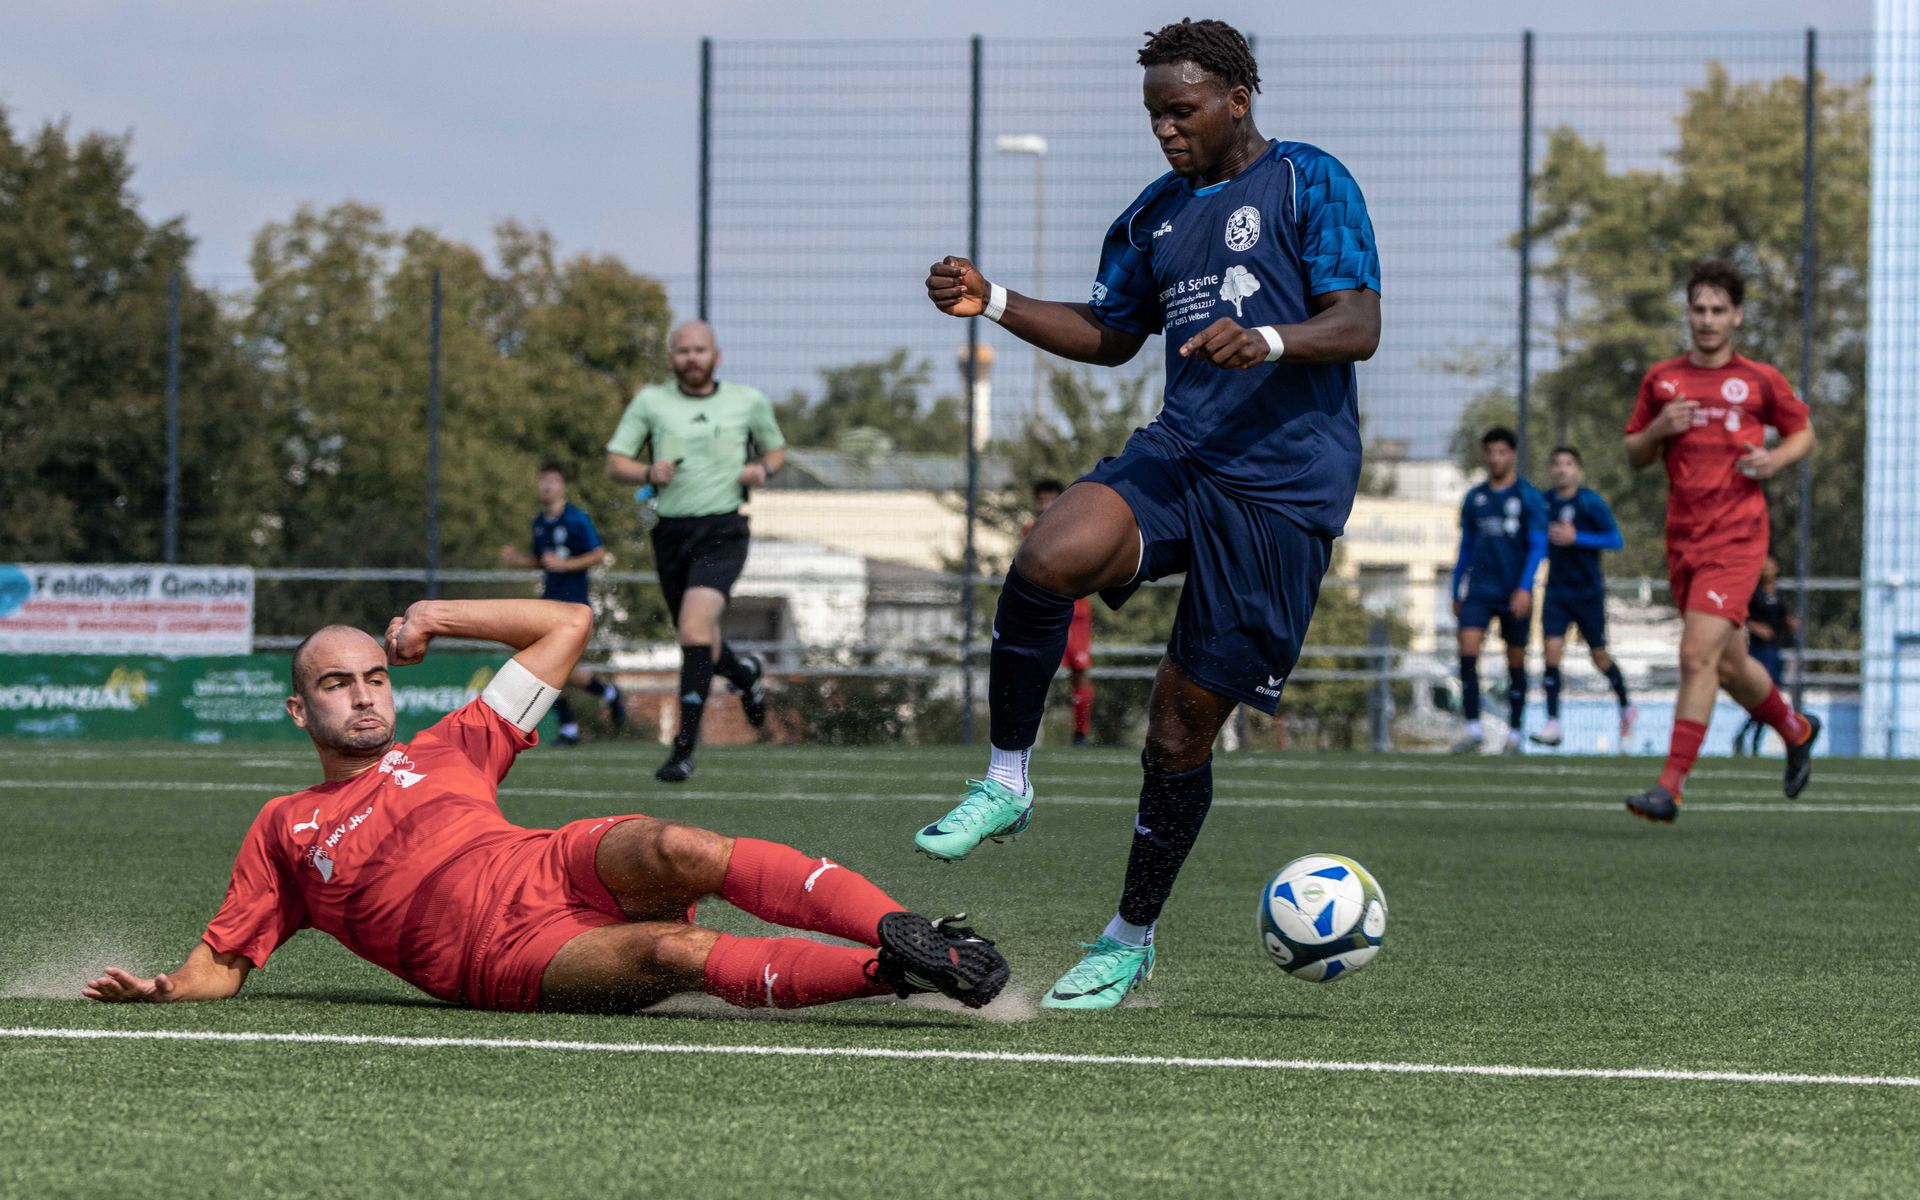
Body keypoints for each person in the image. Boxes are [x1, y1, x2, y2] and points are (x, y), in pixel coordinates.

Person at [916, 18, 1381, 1010]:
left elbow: (1359, 323)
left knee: (1176, 733)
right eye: (1154, 115)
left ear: (1236, 100)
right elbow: (1111, 333)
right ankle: (1007, 780)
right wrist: (993, 298)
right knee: (1049, 553)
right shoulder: (1153, 216)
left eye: (1182, 111)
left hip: (1280, 492)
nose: (1166, 130)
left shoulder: (1308, 181)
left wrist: (1266, 339)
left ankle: (1127, 938)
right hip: (1180, 451)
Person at [82, 598, 1008, 1014]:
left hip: (546, 862)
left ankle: (907, 929)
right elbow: (224, 961)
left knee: (681, 843)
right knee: (671, 951)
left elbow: (568, 625)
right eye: (336, 684)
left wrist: (437, 617)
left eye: (372, 677)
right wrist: (163, 988)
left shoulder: (454, 742)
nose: (363, 696)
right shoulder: (286, 827)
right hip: (505, 957)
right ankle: (890, 976)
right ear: (301, 709)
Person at [1623, 259, 1819, 822]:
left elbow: (1803, 432)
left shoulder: (1760, 379)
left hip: (1737, 539)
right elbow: (1635, 453)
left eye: (1718, 310)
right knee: (1728, 666)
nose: (1707, 320)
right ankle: (1795, 728)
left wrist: (1774, 457)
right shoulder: (1663, 380)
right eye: (1698, 309)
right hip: (1683, 541)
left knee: (1694, 656)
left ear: (1736, 316)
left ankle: (1670, 786)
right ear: (1688, 314)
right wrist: (1661, 429)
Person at [605, 321, 783, 783]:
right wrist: (648, 471)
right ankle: (744, 672)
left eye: (699, 349)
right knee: (698, 635)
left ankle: (682, 750)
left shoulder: (747, 401)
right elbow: (615, 463)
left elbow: (777, 451)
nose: (691, 357)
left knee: (692, 627)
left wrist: (761, 468)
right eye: (682, 350)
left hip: (724, 529)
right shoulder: (651, 402)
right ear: (672, 357)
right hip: (670, 534)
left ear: (716, 355)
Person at [497, 460, 624, 745]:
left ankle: (583, 713)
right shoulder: (540, 522)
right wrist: (517, 560)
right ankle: (585, 712)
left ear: (562, 485)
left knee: (552, 666)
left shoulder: (577, 519)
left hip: (573, 604)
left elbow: (598, 554)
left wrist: (567, 564)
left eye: (552, 480)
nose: (547, 486)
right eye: (543, 480)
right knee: (544, 665)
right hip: (547, 603)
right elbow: (542, 561)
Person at [1449, 427, 1548, 755]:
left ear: (1512, 456)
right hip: (1479, 590)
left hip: (1513, 593)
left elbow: (1537, 546)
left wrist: (1524, 588)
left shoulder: (1527, 496)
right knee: (1467, 648)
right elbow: (1466, 547)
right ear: (1485, 455)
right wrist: (1455, 588)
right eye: (1490, 452)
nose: (1496, 458)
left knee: (1515, 660)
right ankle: (1473, 727)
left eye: (1502, 452)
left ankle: (1515, 733)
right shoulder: (1475, 498)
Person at [1529, 446, 1636, 749]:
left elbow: (1615, 539)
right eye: (1557, 464)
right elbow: (1536, 541)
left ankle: (1626, 707)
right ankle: (1553, 722)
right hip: (1557, 592)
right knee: (1551, 653)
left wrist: (1579, 538)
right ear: (1552, 470)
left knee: (1599, 656)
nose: (1562, 469)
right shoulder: (1544, 503)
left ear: (1578, 470)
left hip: (1588, 592)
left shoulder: (1590, 502)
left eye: (1568, 463)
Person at [1030, 479, 1096, 746]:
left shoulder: (1076, 529)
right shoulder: (1030, 531)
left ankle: (1080, 733)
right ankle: (1028, 732)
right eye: (1042, 499)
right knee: (1032, 670)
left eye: (1052, 498)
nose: (1047, 504)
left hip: (1075, 612)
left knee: (1079, 671)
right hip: (1042, 612)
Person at [1731, 554, 1797, 755]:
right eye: (1764, 564)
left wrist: (1790, 622)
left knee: (1771, 696)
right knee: (1763, 694)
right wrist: (1755, 627)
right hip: (1759, 650)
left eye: (1771, 564)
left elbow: (1782, 616)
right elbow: (1741, 614)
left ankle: (1748, 739)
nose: (1768, 568)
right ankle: (1747, 739)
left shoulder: (1779, 592)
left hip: (1774, 649)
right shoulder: (1753, 592)